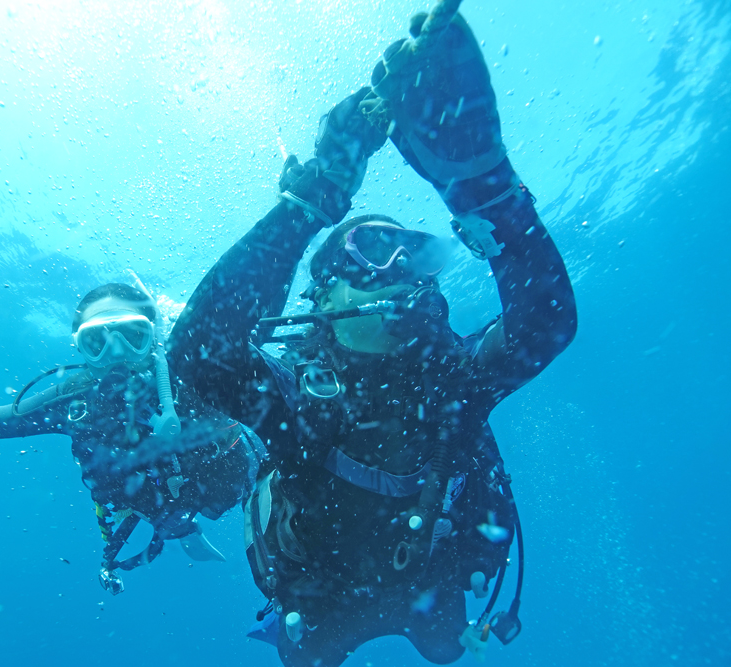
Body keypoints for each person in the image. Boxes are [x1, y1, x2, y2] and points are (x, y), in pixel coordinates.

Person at [168, 4, 576, 665]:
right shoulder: (295, 392)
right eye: (367, 250)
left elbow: (546, 321)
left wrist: (483, 182)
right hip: (320, 597)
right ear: (322, 291)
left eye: (410, 253)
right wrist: (314, 198)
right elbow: (195, 353)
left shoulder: (456, 375)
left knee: (445, 650)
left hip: (430, 583)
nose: (393, 266)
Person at [0, 281, 265, 595]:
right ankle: (179, 529)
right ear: (79, 350)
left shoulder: (193, 375)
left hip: (232, 477)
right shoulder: (74, 400)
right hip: (157, 502)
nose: (115, 354)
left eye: (131, 337)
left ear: (154, 338)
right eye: (97, 341)